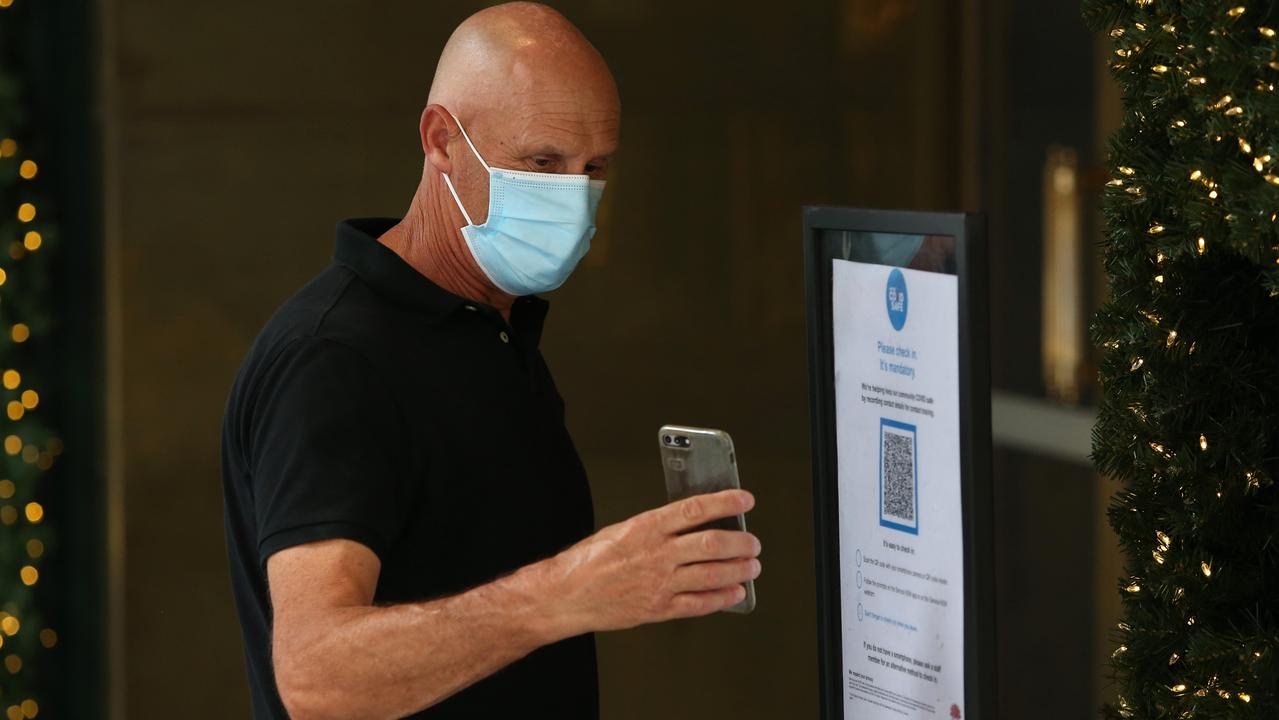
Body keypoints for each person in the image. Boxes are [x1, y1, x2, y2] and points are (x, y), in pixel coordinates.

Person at [220, 3, 763, 718]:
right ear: (441, 138)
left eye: (595, 167)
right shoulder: (335, 361)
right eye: (542, 162)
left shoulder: (492, 323)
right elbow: (318, 678)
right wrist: (566, 593)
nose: (574, 195)